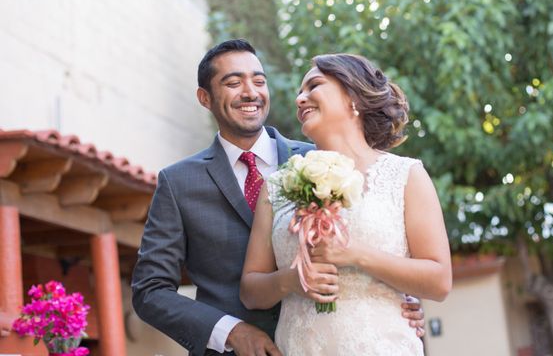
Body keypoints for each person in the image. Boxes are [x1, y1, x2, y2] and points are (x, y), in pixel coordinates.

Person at [131, 40, 425, 356]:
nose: (250, 92)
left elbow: (378, 233)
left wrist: (398, 299)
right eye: (233, 82)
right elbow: (150, 291)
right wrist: (231, 331)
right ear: (205, 98)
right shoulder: (178, 183)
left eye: (259, 81)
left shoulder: (324, 159)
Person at [240, 53, 452, 355]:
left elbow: (439, 280)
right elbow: (250, 290)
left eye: (313, 85)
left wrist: (354, 254)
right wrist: (291, 280)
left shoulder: (406, 176)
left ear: (353, 96)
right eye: (299, 93)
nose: (301, 99)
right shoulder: (277, 187)